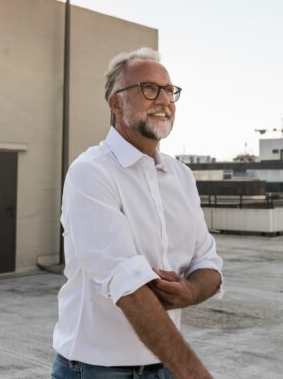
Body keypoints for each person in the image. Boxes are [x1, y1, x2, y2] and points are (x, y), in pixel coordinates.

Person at [52, 48, 224, 379]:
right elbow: (128, 286)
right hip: (96, 371)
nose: (163, 99)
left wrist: (189, 291)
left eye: (169, 90)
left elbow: (209, 263)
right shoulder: (91, 173)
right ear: (116, 103)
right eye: (148, 88)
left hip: (165, 367)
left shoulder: (181, 176)